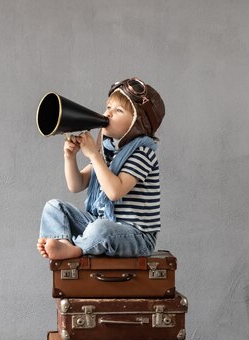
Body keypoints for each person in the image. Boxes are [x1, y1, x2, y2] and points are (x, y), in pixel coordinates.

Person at [37, 77, 165, 260]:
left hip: (137, 237)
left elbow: (114, 191)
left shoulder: (143, 152)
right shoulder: (109, 152)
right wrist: (70, 157)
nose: (108, 114)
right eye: (108, 107)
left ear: (137, 123)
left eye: (118, 110)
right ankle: (64, 243)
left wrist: (94, 156)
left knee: (100, 228)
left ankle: (77, 249)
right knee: (53, 207)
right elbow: (76, 185)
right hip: (104, 225)